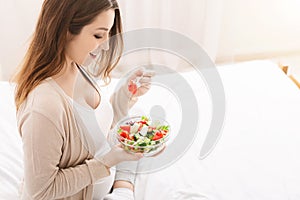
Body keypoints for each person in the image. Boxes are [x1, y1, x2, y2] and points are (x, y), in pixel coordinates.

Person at [13, 0, 153, 199]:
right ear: (65, 29)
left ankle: (123, 186)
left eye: (108, 33)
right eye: (98, 35)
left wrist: (122, 99)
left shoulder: (76, 66)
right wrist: (107, 162)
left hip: (102, 182)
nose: (105, 46)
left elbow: (93, 130)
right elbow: (41, 192)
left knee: (138, 119)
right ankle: (124, 187)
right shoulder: (44, 107)